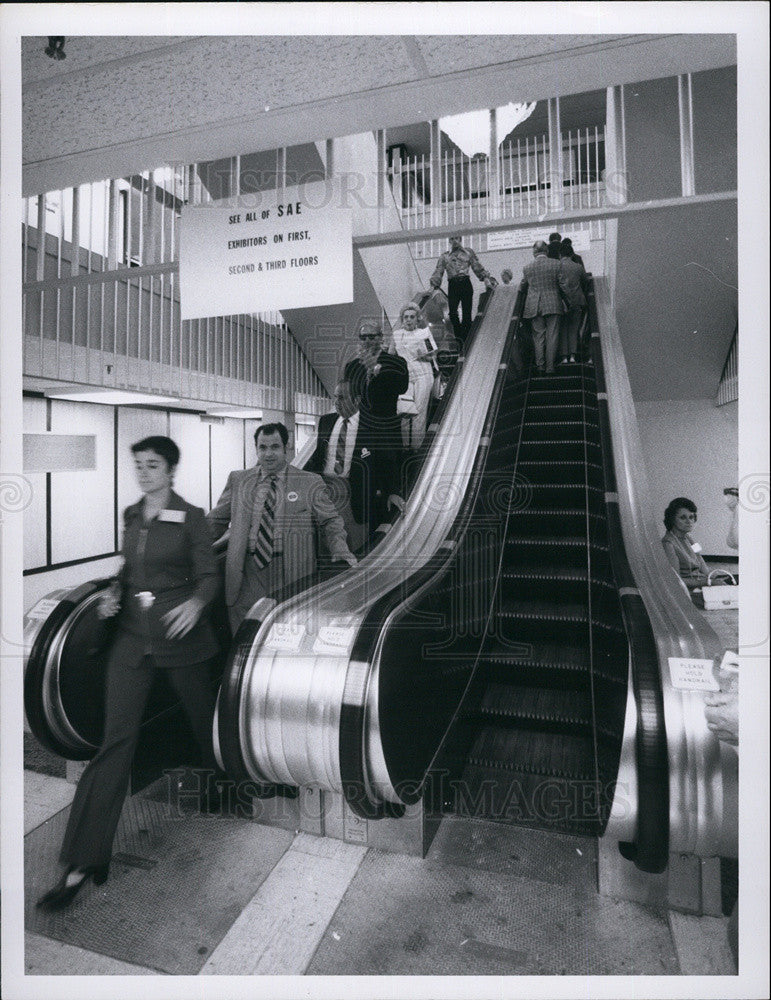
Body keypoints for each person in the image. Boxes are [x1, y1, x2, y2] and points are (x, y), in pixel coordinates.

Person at [37, 436, 223, 912]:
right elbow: (129, 568)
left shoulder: (193, 516)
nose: (143, 472)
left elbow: (209, 575)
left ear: (171, 469)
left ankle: (229, 779)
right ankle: (82, 862)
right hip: (132, 641)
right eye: (138, 465)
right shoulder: (132, 515)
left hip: (181, 640)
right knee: (114, 744)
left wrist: (199, 603)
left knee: (205, 722)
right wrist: (114, 592)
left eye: (152, 465)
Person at [208, 423, 357, 632]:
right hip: (246, 575)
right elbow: (215, 522)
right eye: (263, 447)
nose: (268, 454)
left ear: (286, 449)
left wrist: (340, 548)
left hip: (291, 574)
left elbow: (331, 521)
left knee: (285, 638)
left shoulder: (309, 482)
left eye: (275, 447)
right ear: (256, 449)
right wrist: (186, 543)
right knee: (244, 641)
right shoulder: (239, 480)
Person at [343, 320, 409, 525]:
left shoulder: (396, 363)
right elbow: (349, 395)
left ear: (381, 338)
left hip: (386, 432)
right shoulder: (352, 366)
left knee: (388, 482)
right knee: (365, 482)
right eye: (363, 337)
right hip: (361, 433)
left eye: (372, 336)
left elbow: (402, 387)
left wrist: (378, 371)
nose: (368, 341)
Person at [306, 380, 369, 551]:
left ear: (356, 400)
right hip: (325, 488)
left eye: (341, 398)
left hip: (352, 491)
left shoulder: (370, 425)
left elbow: (384, 461)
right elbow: (318, 456)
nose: (336, 402)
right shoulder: (326, 421)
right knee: (326, 542)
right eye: (335, 397)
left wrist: (392, 490)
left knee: (355, 545)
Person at [429, 234, 495, 348]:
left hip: (465, 283)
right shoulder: (444, 256)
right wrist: (433, 286)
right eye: (452, 239)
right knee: (453, 313)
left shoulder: (468, 252)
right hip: (453, 285)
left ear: (460, 240)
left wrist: (486, 279)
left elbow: (477, 267)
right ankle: (459, 337)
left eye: (457, 238)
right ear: (449, 240)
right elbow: (438, 271)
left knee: (466, 314)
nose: (455, 241)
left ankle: (466, 340)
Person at [390, 302, 438, 451]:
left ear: (417, 319)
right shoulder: (397, 335)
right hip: (406, 376)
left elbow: (433, 356)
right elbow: (391, 356)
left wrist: (424, 355)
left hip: (424, 373)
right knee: (405, 409)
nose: (408, 320)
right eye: (406, 317)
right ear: (402, 319)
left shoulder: (424, 333)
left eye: (412, 317)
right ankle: (405, 447)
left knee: (419, 411)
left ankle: (416, 448)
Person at [519, 240, 567, 374]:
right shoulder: (556, 264)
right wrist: (568, 301)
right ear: (546, 251)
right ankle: (550, 367)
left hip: (534, 305)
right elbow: (563, 285)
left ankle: (540, 366)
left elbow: (522, 286)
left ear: (534, 252)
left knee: (538, 336)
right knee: (552, 335)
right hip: (553, 304)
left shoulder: (527, 268)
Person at [661, 497, 710, 589]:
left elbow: (700, 559)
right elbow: (676, 580)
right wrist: (708, 582)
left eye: (691, 517)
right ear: (672, 519)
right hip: (688, 590)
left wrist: (713, 577)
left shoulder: (689, 539)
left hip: (701, 583)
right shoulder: (668, 544)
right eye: (683, 518)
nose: (689, 521)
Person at [557, 242, 588, 364]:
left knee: (563, 329)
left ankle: (564, 357)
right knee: (574, 329)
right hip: (577, 301)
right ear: (571, 254)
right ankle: (573, 356)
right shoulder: (578, 267)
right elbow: (585, 281)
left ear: (560, 255)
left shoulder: (556, 267)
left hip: (562, 303)